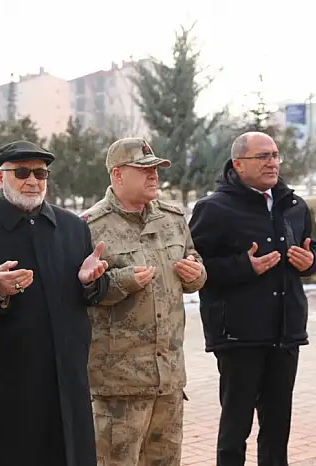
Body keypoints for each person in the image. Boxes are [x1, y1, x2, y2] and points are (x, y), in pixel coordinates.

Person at [0, 140, 110, 466]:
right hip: (6, 382)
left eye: (40, 173)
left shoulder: (72, 227)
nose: (32, 181)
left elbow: (91, 295)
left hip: (66, 379)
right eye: (21, 173)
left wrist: (92, 282)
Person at [188, 131, 316, 466]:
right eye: (263, 156)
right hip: (238, 334)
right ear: (238, 164)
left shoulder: (293, 205)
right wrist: (243, 266)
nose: (272, 162)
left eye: (275, 155)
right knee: (236, 428)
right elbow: (194, 268)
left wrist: (311, 263)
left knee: (277, 428)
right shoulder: (213, 209)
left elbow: (310, 248)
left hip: (285, 331)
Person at [82, 137, 206, 466]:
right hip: (119, 384)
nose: (154, 176)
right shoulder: (89, 227)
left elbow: (194, 265)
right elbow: (77, 293)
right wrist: (120, 282)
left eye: (156, 169)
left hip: (168, 378)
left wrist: (196, 275)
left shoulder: (172, 218)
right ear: (118, 175)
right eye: (144, 169)